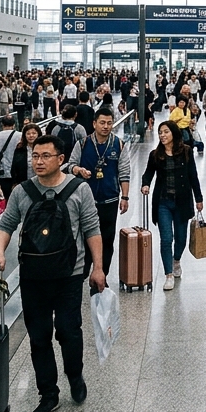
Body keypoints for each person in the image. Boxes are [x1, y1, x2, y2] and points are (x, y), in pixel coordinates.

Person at [0, 133, 103, 412]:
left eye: (45, 156)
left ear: (61, 160)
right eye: (35, 156)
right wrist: (0, 252)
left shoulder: (79, 189)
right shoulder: (22, 192)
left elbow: (92, 229)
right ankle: (48, 393)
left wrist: (98, 268)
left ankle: (75, 377)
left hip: (69, 274)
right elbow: (6, 224)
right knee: (39, 336)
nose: (38, 162)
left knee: (69, 330)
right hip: (32, 276)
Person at [66, 109, 130, 292]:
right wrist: (79, 170)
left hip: (109, 199)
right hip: (85, 202)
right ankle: (83, 273)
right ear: (94, 123)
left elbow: (124, 172)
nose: (106, 126)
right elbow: (70, 166)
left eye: (109, 123)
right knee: (84, 239)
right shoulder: (83, 143)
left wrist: (125, 197)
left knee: (107, 239)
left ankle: (102, 274)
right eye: (102, 123)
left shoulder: (118, 144)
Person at [140, 120, 203, 291]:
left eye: (166, 132)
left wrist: (199, 198)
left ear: (174, 133)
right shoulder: (155, 155)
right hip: (163, 202)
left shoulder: (186, 152)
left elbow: (193, 176)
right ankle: (168, 274)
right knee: (166, 239)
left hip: (182, 202)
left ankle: (176, 260)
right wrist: (145, 184)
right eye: (160, 132)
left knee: (181, 239)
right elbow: (148, 174)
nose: (162, 135)